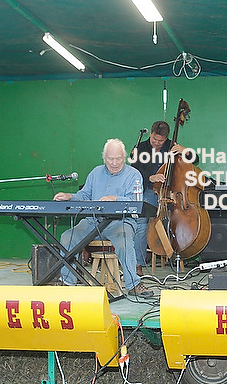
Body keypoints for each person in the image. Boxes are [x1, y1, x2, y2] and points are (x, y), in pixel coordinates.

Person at [53, 138, 153, 298]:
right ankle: (67, 282)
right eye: (110, 159)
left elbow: (136, 201)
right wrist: (69, 196)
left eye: (118, 159)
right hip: (93, 221)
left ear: (125, 157)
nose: (114, 163)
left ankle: (134, 284)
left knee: (124, 240)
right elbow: (84, 195)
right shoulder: (96, 173)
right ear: (104, 157)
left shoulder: (133, 175)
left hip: (120, 222)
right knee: (68, 237)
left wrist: (115, 198)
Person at [130, 121, 199, 273]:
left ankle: (177, 256)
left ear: (166, 138)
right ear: (151, 134)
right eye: (154, 139)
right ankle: (137, 264)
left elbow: (195, 159)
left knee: (177, 221)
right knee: (141, 222)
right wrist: (150, 177)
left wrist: (184, 150)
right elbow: (133, 170)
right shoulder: (141, 148)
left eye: (161, 141)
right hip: (151, 191)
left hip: (172, 193)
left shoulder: (171, 146)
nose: (157, 143)